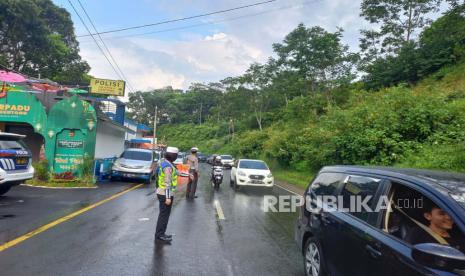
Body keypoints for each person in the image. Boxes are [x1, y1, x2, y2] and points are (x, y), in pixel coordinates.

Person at [155, 146, 179, 242]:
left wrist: (187, 174)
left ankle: (161, 233)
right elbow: (167, 183)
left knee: (164, 214)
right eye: (176, 155)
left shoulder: (165, 163)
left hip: (161, 192)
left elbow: (176, 172)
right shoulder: (168, 167)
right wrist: (168, 197)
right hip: (165, 193)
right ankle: (160, 235)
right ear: (173, 156)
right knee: (164, 215)